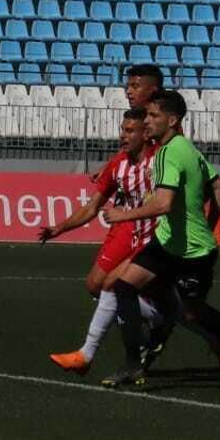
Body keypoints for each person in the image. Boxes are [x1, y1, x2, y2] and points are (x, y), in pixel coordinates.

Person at [99, 90, 220, 386]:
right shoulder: (187, 147)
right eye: (146, 114)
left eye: (153, 115)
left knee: (193, 313)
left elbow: (163, 204)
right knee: (123, 286)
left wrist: (122, 215)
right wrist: (208, 224)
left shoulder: (168, 153)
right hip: (168, 243)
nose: (147, 120)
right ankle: (132, 364)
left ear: (172, 120)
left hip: (192, 253)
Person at [41, 104, 164, 376]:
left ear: (146, 134)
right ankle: (155, 325)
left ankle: (87, 355)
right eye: (122, 130)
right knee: (97, 285)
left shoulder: (160, 160)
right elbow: (92, 206)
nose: (123, 135)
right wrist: (59, 228)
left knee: (112, 287)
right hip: (135, 234)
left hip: (159, 239)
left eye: (130, 131)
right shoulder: (118, 164)